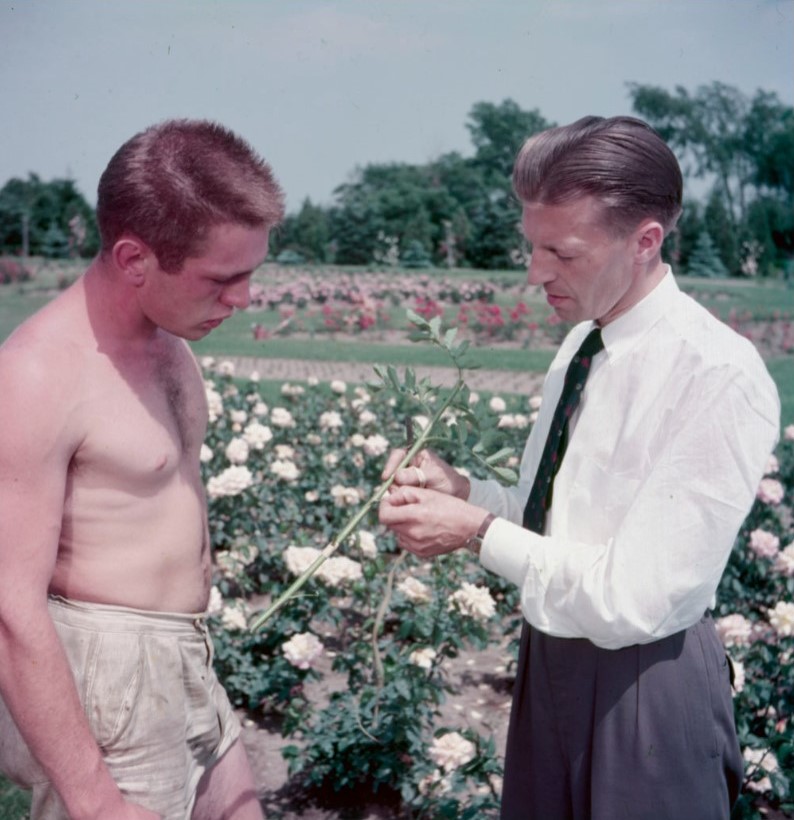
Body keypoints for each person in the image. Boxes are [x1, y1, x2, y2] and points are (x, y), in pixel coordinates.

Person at [379, 116, 780, 819]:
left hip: (642, 693)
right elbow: (560, 522)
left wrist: (473, 531)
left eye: (561, 252)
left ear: (646, 241)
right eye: (532, 247)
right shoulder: (582, 347)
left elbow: (635, 598)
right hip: (552, 666)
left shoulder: (716, 373)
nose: (535, 273)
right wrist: (467, 493)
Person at [0, 119, 284, 819]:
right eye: (223, 278)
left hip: (181, 664)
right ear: (134, 259)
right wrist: (96, 802)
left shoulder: (168, 344)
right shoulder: (40, 374)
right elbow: (10, 610)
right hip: (107, 682)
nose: (243, 299)